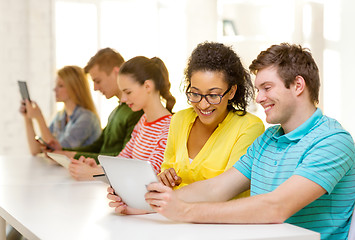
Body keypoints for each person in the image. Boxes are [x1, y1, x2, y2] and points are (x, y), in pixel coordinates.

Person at [108, 43, 355, 240]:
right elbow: (215, 189)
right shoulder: (268, 140)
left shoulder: (332, 141)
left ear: (298, 85)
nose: (259, 98)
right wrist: (146, 204)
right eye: (258, 89)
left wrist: (184, 211)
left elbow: (276, 207)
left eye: (267, 88)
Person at [157, 42, 264, 190]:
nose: (203, 105)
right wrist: (164, 179)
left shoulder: (249, 127)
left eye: (213, 95)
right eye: (195, 93)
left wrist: (168, 199)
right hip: (172, 212)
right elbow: (165, 170)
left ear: (231, 92)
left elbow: (225, 190)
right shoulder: (179, 119)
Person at [71, 56, 176, 179]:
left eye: (128, 92)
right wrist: (97, 168)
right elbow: (122, 160)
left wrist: (93, 174)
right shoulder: (143, 121)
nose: (123, 99)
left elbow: (148, 174)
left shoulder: (170, 127)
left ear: (147, 86)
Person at [53, 48, 143, 179]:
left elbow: (124, 158)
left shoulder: (135, 111)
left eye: (98, 81)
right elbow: (99, 145)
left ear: (115, 72)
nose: (95, 88)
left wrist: (72, 155)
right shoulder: (117, 111)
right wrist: (66, 153)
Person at [20, 65, 102, 155]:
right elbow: (35, 151)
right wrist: (27, 118)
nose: (55, 89)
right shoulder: (61, 116)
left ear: (74, 89)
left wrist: (39, 117)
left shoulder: (87, 118)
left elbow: (57, 153)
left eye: (61, 85)